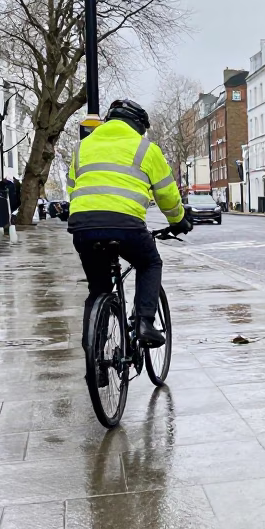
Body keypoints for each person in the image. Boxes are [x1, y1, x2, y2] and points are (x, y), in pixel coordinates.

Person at [67, 98, 192, 348]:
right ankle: (145, 322)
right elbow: (167, 194)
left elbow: (72, 188)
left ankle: (93, 348)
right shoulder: (146, 149)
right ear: (138, 125)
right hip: (126, 225)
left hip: (83, 225)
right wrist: (179, 220)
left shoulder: (82, 147)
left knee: (98, 289)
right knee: (150, 262)